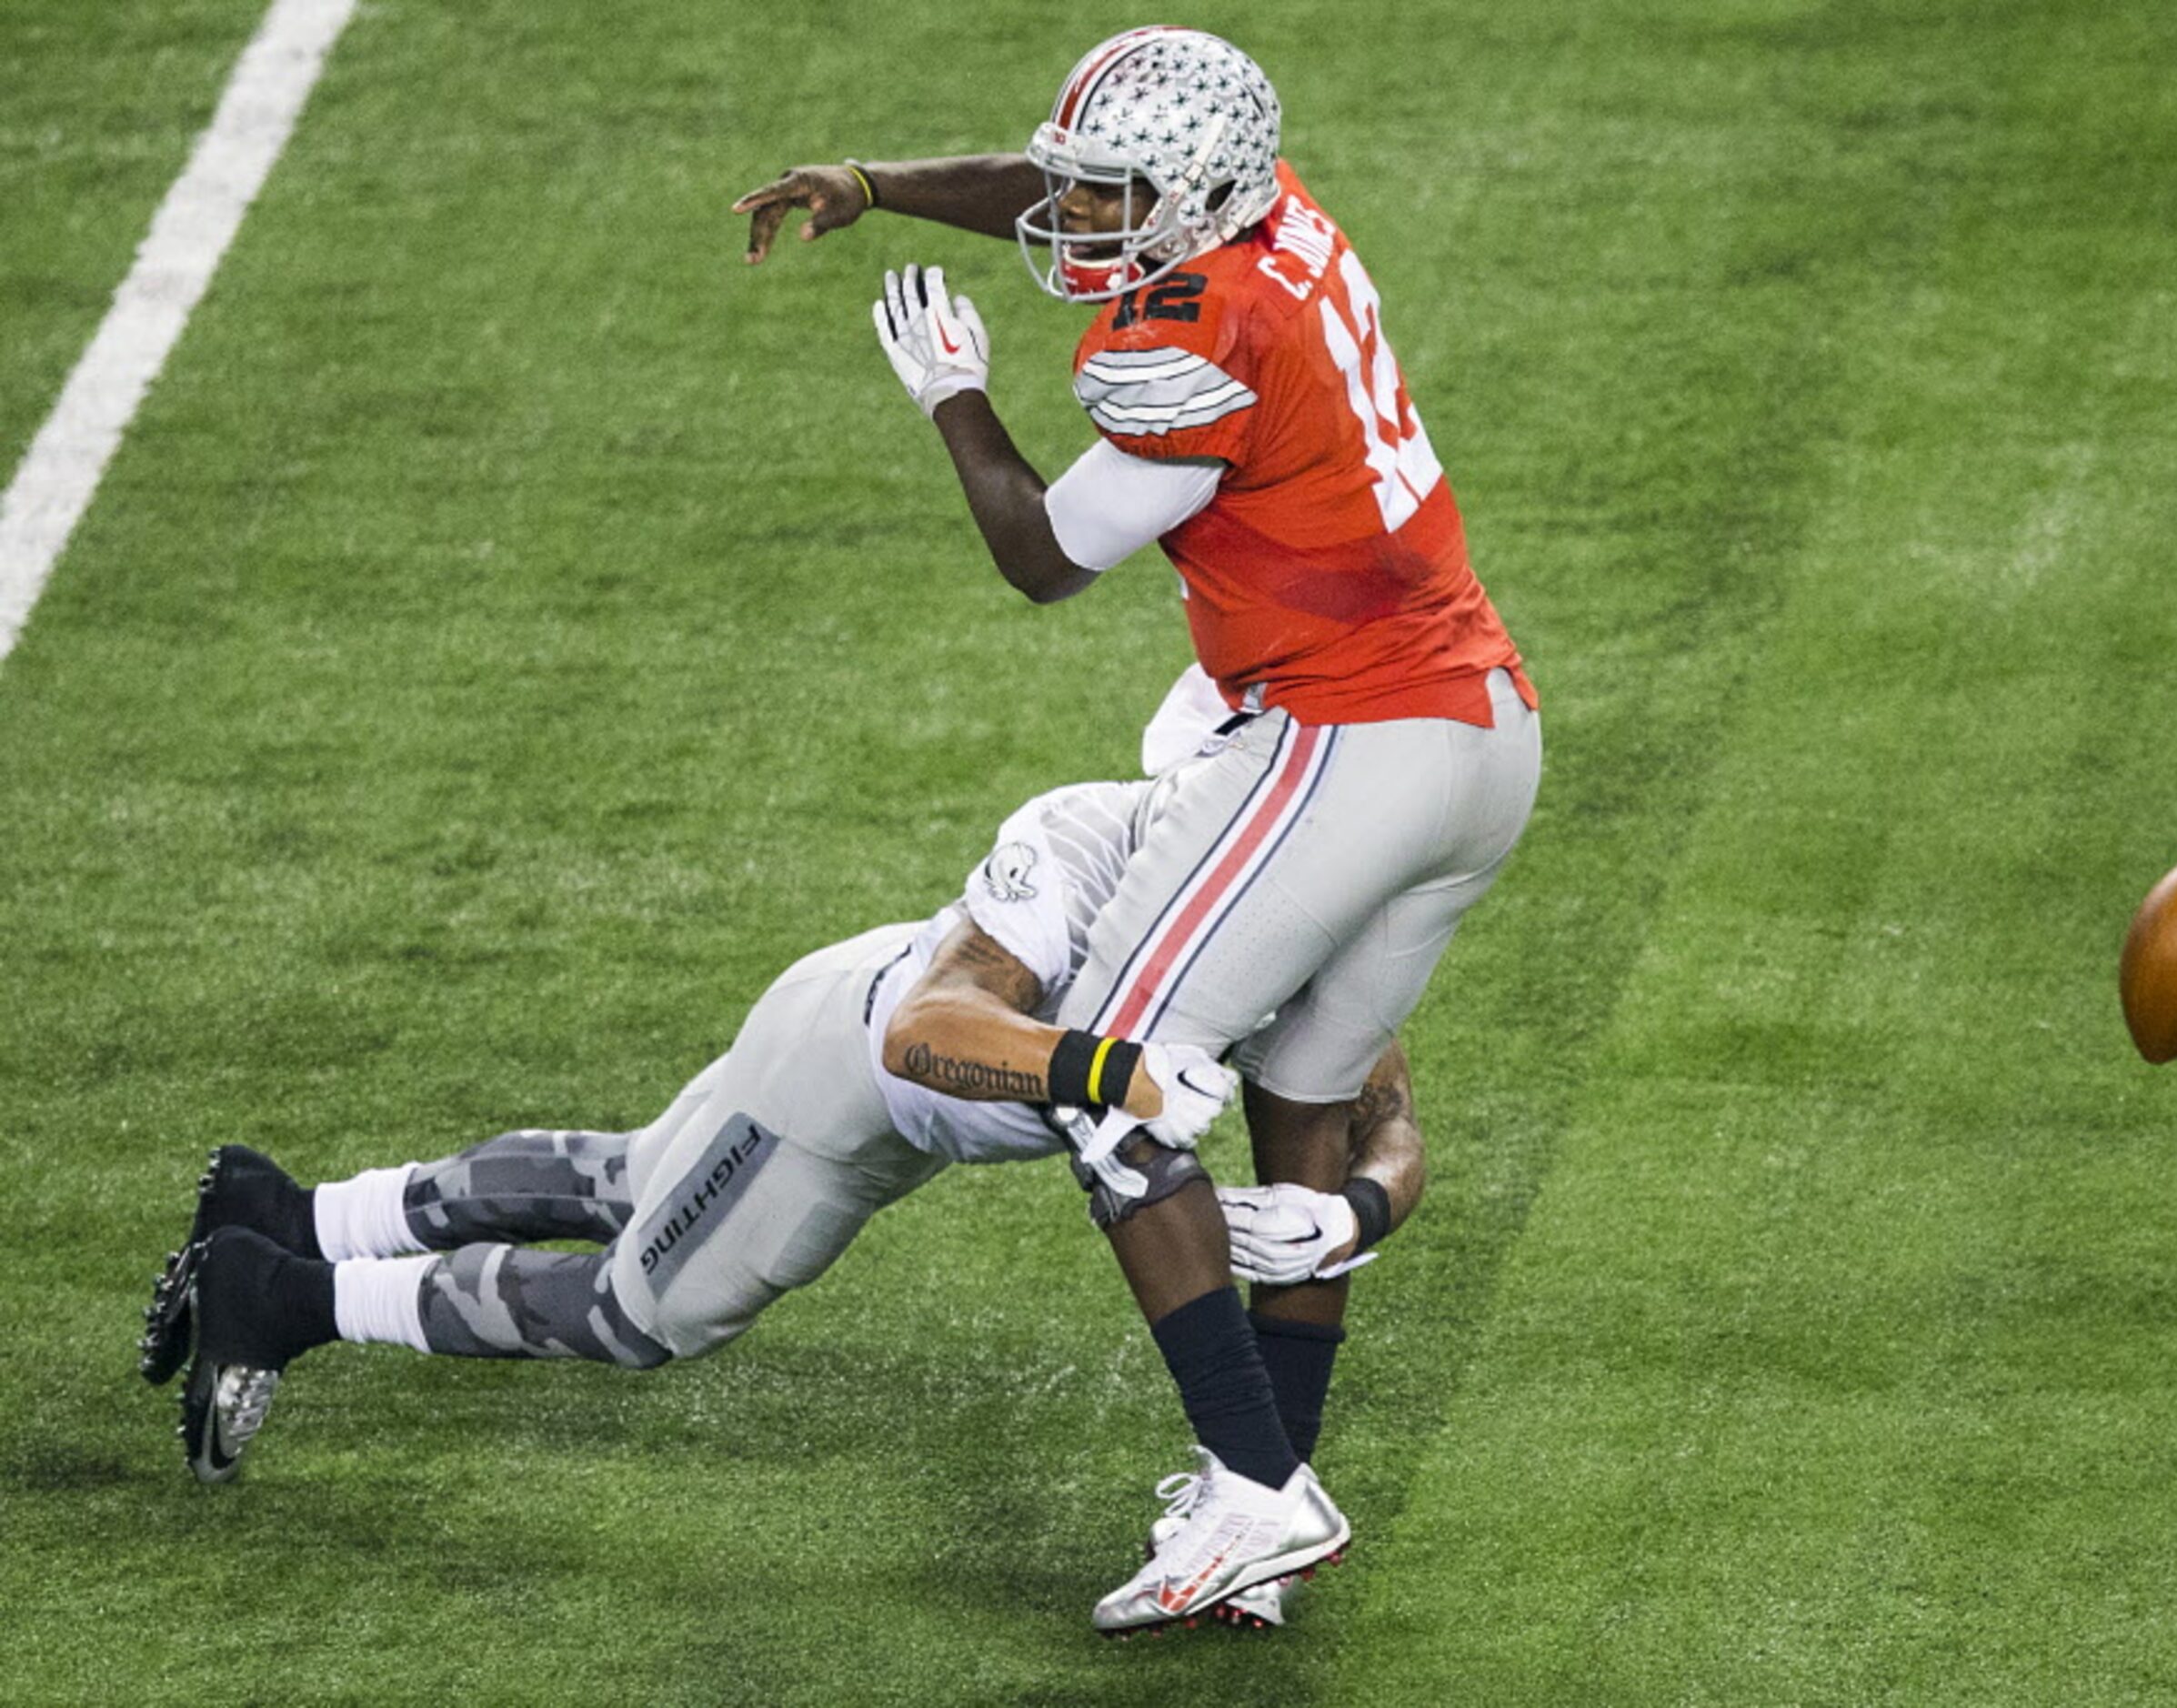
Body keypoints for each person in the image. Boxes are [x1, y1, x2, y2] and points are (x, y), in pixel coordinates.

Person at [731, 24, 1540, 1632]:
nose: (1076, 220)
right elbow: (1080, 184)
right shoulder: (1272, 219)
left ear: (1192, 198)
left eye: (1114, 200)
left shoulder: (1198, 338)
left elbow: (1046, 555)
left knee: (1116, 1077)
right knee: (1305, 1107)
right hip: (1485, 730)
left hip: (1349, 729)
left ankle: (1254, 1487)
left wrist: (955, 398)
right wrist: (882, 185)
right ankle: (1264, 1529)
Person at [140, 753, 1426, 1629]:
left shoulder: (1288, 914)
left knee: (636, 1174)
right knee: (633, 1311)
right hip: (849, 1085)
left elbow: (1386, 1119)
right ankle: (279, 1296)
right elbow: (927, 1031)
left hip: (847, 1026)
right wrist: (1117, 1071)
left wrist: (1350, 1213)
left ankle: (293, 1209)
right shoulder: (1090, 836)